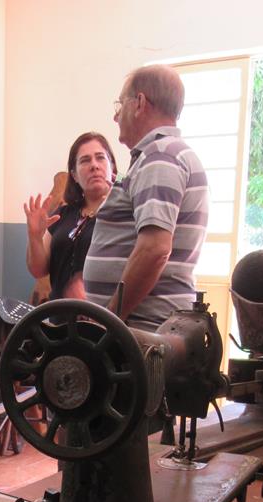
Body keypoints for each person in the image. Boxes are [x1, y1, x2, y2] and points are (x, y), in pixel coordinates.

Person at [83, 64, 209, 330]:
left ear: (139, 103)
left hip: (143, 333)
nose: (116, 117)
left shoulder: (160, 157)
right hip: (143, 330)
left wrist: (109, 320)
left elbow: (154, 250)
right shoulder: (163, 155)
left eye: (120, 104)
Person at [24, 132, 118, 300]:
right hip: (59, 319)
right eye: (85, 160)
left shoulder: (123, 215)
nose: (94, 166)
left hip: (104, 319)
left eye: (100, 158)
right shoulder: (61, 215)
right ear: (74, 175)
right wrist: (35, 237)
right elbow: (38, 270)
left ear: (112, 168)